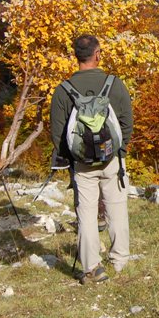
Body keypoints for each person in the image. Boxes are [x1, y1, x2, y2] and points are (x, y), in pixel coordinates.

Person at [50, 35, 133, 284]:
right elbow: (127, 123)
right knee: (116, 208)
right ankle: (120, 261)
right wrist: (119, 151)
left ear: (76, 55)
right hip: (112, 161)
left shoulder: (63, 90)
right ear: (98, 53)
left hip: (82, 164)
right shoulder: (114, 84)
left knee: (86, 214)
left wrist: (72, 157)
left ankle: (92, 267)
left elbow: (57, 134)